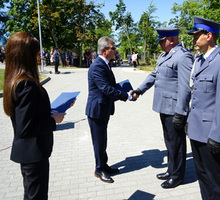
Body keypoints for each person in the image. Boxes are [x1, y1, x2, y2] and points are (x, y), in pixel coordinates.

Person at [3, 31, 69, 200]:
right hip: (33, 154)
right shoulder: (26, 85)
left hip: (31, 153)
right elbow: (25, 128)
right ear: (26, 55)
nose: (40, 56)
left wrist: (54, 109)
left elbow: (30, 114)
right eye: (36, 52)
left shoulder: (17, 80)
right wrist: (53, 120)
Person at [131, 27, 193, 189]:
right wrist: (139, 90)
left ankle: (177, 176)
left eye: (161, 40)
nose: (159, 44)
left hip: (174, 109)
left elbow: (185, 87)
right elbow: (153, 75)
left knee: (177, 143)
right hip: (164, 106)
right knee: (169, 141)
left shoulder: (183, 57)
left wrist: (181, 112)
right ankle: (171, 169)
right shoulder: (164, 56)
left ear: (171, 40)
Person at [186, 17, 220, 200]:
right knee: (202, 176)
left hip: (211, 134)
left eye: (196, 36)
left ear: (209, 36)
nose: (193, 40)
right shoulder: (200, 60)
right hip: (195, 130)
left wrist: (218, 135)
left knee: (218, 180)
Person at [85, 36, 134, 184]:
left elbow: (109, 86)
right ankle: (99, 169)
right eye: (113, 48)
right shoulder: (98, 65)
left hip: (103, 109)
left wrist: (124, 89)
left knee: (102, 140)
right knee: (99, 141)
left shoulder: (105, 64)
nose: (115, 50)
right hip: (96, 110)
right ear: (105, 50)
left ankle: (104, 165)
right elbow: (106, 89)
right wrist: (127, 96)